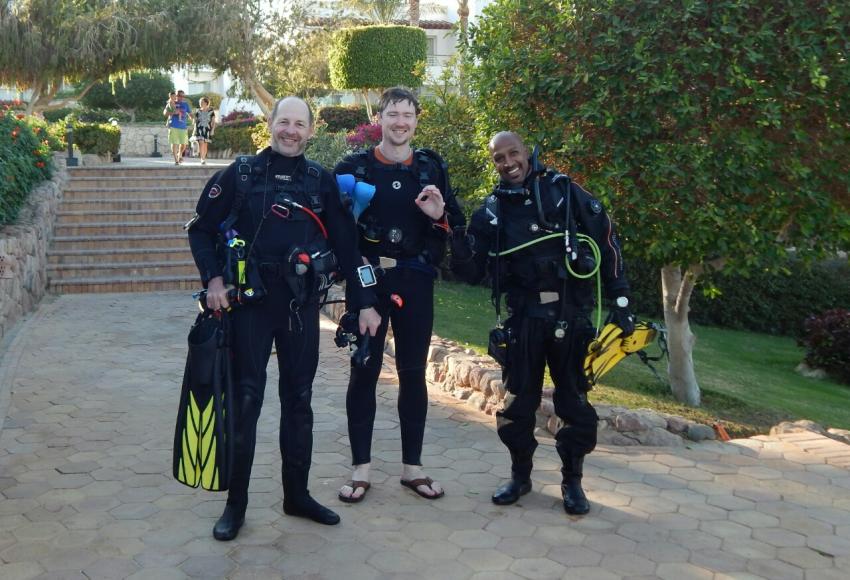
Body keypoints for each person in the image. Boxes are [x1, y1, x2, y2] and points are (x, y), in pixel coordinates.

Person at [187, 96, 382, 541]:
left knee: (299, 402)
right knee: (246, 404)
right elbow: (200, 228)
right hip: (249, 309)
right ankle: (235, 506)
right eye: (284, 122)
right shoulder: (240, 175)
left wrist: (366, 300)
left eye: (300, 124)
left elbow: (349, 247)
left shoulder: (322, 182)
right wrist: (214, 279)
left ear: (310, 131)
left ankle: (297, 495)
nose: (291, 130)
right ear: (270, 125)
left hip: (299, 309)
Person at [453, 131, 634, 515]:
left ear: (527, 152)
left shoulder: (564, 193)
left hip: (571, 315)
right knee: (518, 405)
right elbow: (470, 271)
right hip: (525, 319)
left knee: (574, 404)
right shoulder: (492, 210)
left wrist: (621, 302)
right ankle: (520, 476)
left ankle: (573, 482)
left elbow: (606, 238)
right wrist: (450, 229)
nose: (507, 163)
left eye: (512, 153)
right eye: (498, 158)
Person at [333, 87, 465, 503]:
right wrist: (363, 298)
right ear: (381, 119)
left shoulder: (430, 167)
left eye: (408, 114)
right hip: (369, 280)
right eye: (393, 114)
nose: (400, 122)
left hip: (415, 280)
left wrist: (439, 215)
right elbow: (342, 237)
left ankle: (413, 469)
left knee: (412, 374)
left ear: (416, 120)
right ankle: (360, 471)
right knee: (364, 371)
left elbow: (455, 223)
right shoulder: (353, 168)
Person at [165, 89, 191, 165]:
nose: (182, 97)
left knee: (184, 145)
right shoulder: (171, 102)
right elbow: (165, 113)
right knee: (174, 143)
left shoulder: (185, 104)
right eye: (180, 95)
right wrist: (173, 112)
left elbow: (190, 113)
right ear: (176, 95)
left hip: (183, 127)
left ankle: (179, 154)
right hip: (173, 126)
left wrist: (192, 117)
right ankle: (176, 160)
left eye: (183, 96)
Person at [193, 97, 216, 165]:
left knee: (205, 145)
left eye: (202, 102)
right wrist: (194, 130)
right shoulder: (197, 111)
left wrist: (213, 130)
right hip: (199, 129)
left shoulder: (211, 111)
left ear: (206, 103)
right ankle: (202, 159)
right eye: (200, 103)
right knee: (201, 143)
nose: (200, 104)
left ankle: (203, 158)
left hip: (207, 129)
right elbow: (195, 121)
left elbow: (213, 122)